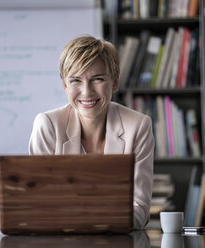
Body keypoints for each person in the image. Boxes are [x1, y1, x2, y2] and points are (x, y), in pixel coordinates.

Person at [29, 35, 154, 229]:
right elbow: (38, 204)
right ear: (65, 86)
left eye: (97, 79)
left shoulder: (138, 126)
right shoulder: (47, 125)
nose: (87, 92)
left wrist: (80, 220)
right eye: (76, 80)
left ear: (114, 82)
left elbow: (139, 208)